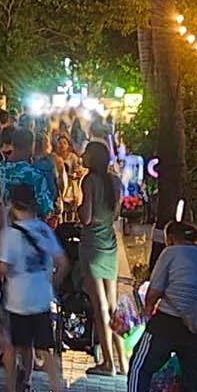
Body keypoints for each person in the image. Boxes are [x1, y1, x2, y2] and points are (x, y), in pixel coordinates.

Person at [106, 222, 197, 392]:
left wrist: (146, 315)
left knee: (140, 367)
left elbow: (154, 291)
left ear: (170, 238)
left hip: (168, 321)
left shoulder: (170, 253)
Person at [0, 181, 69, 392]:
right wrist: (51, 284)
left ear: (12, 205)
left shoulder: (9, 234)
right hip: (41, 299)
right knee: (46, 351)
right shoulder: (45, 230)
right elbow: (63, 263)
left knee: (12, 346)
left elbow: (2, 267)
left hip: (17, 299)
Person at [77, 141, 126, 373]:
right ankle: (123, 360)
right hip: (110, 243)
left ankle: (108, 363)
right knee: (112, 304)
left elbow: (85, 217)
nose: (81, 155)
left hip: (93, 245)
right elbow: (116, 214)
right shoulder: (114, 181)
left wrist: (80, 210)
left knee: (100, 307)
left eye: (86, 153)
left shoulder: (89, 181)